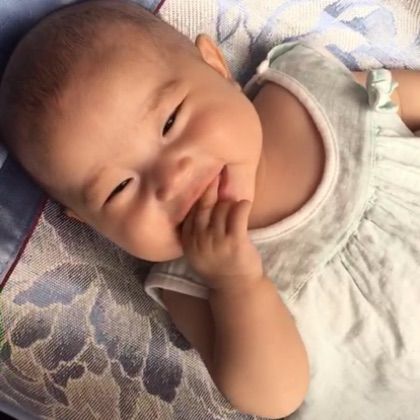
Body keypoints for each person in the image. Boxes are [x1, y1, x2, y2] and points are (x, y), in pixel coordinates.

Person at [1, 0, 419, 418]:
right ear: (90, 223)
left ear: (216, 67)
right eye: (120, 188)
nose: (170, 179)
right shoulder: (195, 284)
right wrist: (238, 284)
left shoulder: (306, 91)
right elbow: (276, 398)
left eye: (170, 123)